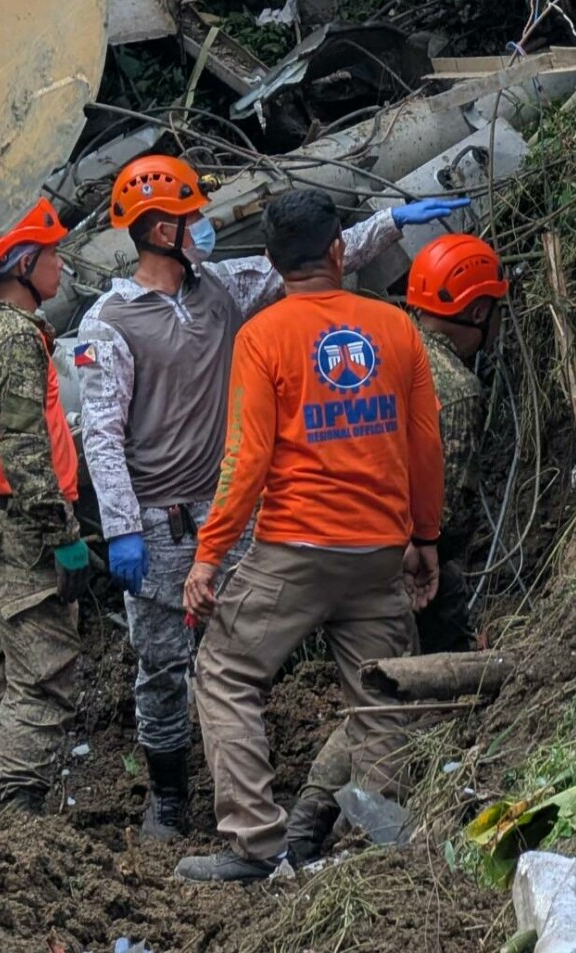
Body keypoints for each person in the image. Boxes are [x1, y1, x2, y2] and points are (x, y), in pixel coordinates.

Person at [76, 154, 466, 840]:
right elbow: (102, 434)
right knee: (164, 662)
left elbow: (306, 260)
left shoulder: (224, 290)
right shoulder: (109, 323)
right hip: (159, 522)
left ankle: (257, 811)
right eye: (192, 216)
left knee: (235, 658)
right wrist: (120, 526)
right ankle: (169, 797)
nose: (202, 226)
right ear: (163, 230)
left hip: (234, 513)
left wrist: (391, 222)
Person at [174, 188, 446, 883]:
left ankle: (255, 846)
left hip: (295, 548)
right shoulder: (395, 327)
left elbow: (245, 459)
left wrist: (208, 556)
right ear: (335, 252)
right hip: (379, 552)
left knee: (227, 671)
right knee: (377, 689)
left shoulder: (263, 336)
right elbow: (423, 443)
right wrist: (425, 536)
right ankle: (380, 837)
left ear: (270, 260)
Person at [284, 233, 510, 866]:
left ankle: (307, 828)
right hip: (398, 561)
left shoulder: (373, 348)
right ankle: (345, 833)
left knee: (376, 689)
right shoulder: (454, 391)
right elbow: (442, 509)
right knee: (401, 689)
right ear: (475, 312)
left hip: (331, 544)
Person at [0, 197, 90, 815]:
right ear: (22, 263)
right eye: (53, 253)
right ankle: (18, 814)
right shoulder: (15, 338)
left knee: (8, 671)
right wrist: (64, 532)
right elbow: (24, 448)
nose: (61, 265)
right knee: (44, 673)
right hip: (21, 529)